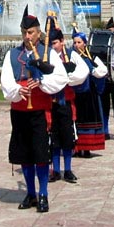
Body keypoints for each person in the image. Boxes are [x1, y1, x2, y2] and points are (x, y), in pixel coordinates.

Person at [0, 7, 68, 214]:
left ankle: (43, 194)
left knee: (40, 155)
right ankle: (30, 193)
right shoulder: (12, 54)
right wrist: (19, 89)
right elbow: (5, 83)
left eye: (30, 32)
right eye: (24, 32)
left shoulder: (49, 54)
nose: (27, 36)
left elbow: (61, 79)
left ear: (39, 33)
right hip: (20, 111)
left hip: (40, 112)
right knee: (25, 155)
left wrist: (41, 82)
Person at [48, 27, 87, 183]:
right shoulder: (48, 56)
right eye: (51, 43)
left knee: (67, 137)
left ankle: (68, 169)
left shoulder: (71, 55)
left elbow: (83, 72)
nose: (53, 46)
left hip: (66, 101)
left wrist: (67, 78)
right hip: (51, 102)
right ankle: (56, 170)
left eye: (55, 43)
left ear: (62, 42)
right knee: (54, 137)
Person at [71, 31, 108, 157]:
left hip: (89, 93)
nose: (76, 45)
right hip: (75, 92)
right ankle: (76, 148)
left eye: (79, 42)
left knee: (88, 119)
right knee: (75, 119)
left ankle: (87, 148)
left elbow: (103, 70)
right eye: (75, 42)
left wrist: (92, 70)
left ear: (85, 43)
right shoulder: (70, 56)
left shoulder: (92, 56)